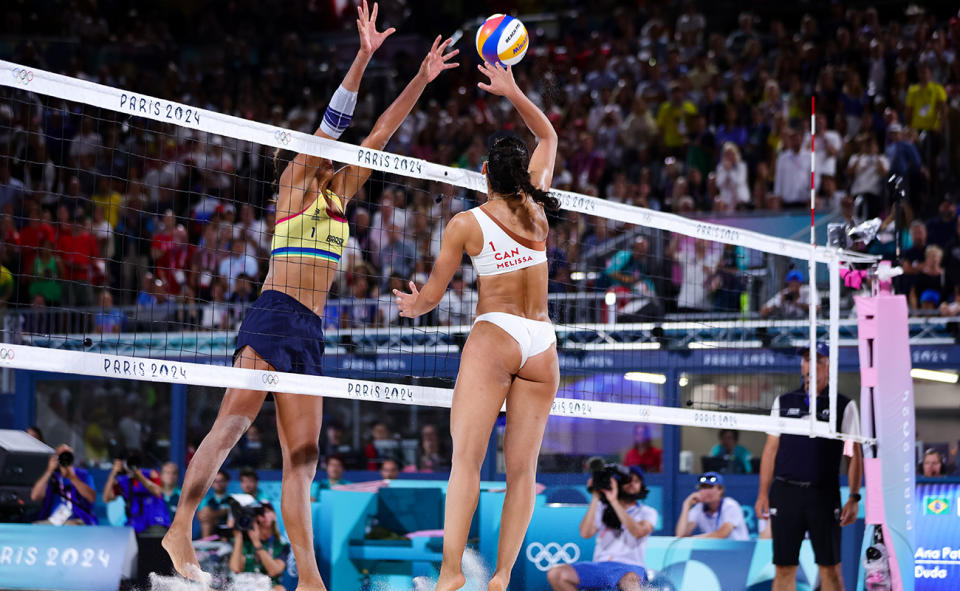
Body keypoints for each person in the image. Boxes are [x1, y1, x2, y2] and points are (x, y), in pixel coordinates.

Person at [162, 10, 458, 584]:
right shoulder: (295, 179)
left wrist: (421, 77)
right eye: (318, 147)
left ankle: (309, 577)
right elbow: (337, 122)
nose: (330, 151)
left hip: (311, 332)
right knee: (231, 427)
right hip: (275, 315)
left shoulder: (340, 191)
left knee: (303, 460)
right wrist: (365, 55)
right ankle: (180, 528)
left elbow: (379, 138)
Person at [394, 62, 559, 591]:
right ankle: (503, 576)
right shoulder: (539, 207)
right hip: (543, 345)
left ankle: (449, 576)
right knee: (522, 474)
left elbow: (431, 301)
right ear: (522, 175)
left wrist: (411, 305)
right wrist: (513, 90)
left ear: (485, 173)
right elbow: (548, 134)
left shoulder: (466, 222)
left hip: (497, 335)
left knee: (465, 464)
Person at [755, 343, 863, 591]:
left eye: (818, 360)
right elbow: (771, 449)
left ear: (829, 367)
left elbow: (852, 453)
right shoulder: (784, 401)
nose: (810, 366)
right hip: (786, 493)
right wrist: (763, 493)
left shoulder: (843, 405)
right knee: (783, 567)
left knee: (830, 569)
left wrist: (854, 496)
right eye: (806, 360)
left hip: (823, 494)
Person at [546, 466, 657, 591]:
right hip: (601, 566)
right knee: (556, 574)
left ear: (641, 486)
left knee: (629, 580)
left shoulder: (647, 512)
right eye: (628, 481)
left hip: (630, 567)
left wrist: (614, 502)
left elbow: (638, 532)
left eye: (636, 481)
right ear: (619, 484)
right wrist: (596, 496)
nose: (632, 484)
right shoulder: (603, 507)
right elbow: (585, 533)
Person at [102, 452, 171, 534]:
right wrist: (113, 473)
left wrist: (139, 476)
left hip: (155, 522)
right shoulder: (123, 481)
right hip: (134, 525)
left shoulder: (151, 474)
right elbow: (106, 498)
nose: (131, 465)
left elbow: (157, 492)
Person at [30, 444, 98, 525]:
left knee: (72, 525)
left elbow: (91, 498)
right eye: (61, 455)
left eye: (67, 454)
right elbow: (35, 496)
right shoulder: (52, 477)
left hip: (78, 519)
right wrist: (49, 471)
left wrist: (72, 477)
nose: (64, 458)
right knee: (34, 527)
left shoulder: (83, 475)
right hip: (53, 520)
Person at [229, 502, 290, 591]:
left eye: (267, 511)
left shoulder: (281, 545)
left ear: (274, 516)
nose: (264, 516)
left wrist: (257, 543)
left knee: (280, 589)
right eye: (259, 513)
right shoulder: (243, 542)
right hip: (244, 584)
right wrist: (239, 537)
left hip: (269, 585)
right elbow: (235, 568)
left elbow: (274, 571)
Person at [674, 472, 749, 540]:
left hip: (740, 552)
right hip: (715, 552)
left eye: (710, 487)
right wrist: (686, 505)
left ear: (720, 490)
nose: (706, 491)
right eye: (703, 487)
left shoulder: (730, 505)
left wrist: (692, 539)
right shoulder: (699, 508)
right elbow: (681, 534)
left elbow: (722, 534)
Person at [197, 469, 231, 538]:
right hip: (211, 531)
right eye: (215, 481)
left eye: (221, 481)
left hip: (227, 534)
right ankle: (206, 546)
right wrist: (218, 515)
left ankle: (205, 546)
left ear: (227, 482)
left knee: (207, 512)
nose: (218, 483)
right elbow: (200, 517)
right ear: (211, 483)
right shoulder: (206, 500)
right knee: (206, 510)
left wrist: (212, 516)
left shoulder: (232, 499)